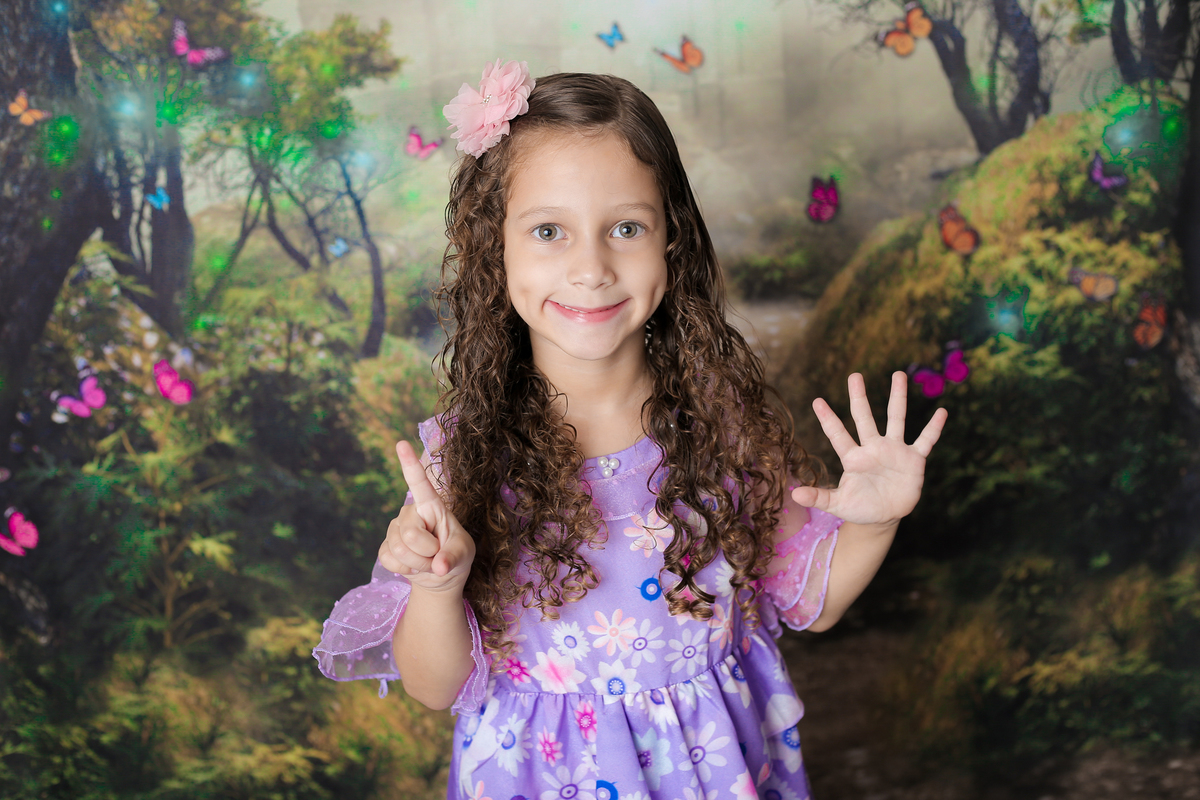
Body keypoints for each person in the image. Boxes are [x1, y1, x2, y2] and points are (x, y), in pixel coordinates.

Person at [314, 60, 946, 800]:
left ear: (671, 239)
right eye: (548, 231)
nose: (592, 268)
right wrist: (438, 586)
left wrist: (875, 522)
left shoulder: (724, 425)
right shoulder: (464, 461)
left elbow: (815, 599)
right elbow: (435, 685)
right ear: (495, 248)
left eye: (625, 228)